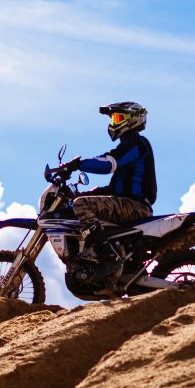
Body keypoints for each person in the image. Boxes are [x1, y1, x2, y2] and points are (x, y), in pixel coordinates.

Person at [59, 101, 157, 270]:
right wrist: (82, 194)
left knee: (81, 205)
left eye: (119, 118)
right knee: (80, 201)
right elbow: (112, 190)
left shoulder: (137, 143)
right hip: (126, 204)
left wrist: (77, 165)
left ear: (134, 119)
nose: (114, 123)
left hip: (135, 206)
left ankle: (107, 256)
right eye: (113, 119)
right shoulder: (130, 147)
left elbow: (108, 164)